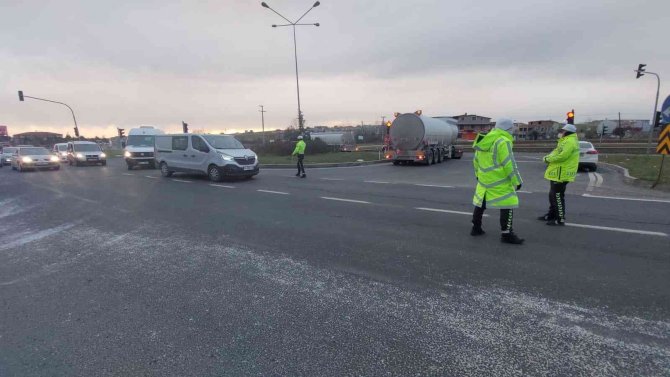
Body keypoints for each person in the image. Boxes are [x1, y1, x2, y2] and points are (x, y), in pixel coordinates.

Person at [471, 118, 524, 244]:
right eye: (512, 128)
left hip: (484, 181)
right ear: (508, 129)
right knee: (508, 205)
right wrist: (517, 181)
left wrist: (478, 175)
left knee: (480, 204)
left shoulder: (484, 139)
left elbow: (476, 160)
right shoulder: (503, 141)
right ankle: (507, 234)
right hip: (500, 181)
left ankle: (476, 228)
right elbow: (509, 163)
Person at [538, 123, 579, 225]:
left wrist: (548, 159)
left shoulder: (570, 142)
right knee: (552, 196)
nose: (560, 133)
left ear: (566, 132)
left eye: (562, 131)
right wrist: (547, 157)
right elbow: (556, 152)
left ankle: (560, 219)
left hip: (562, 174)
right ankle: (551, 215)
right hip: (557, 173)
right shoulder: (564, 142)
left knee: (557, 197)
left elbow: (562, 156)